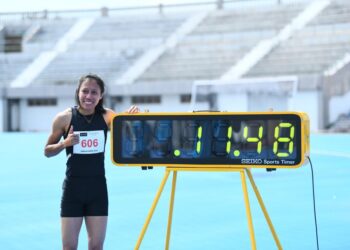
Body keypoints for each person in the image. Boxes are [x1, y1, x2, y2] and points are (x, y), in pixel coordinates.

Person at [44, 74, 139, 250]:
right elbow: (47, 151)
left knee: (96, 246)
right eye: (85, 91)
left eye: (94, 92)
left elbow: (128, 130)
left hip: (98, 190)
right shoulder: (64, 118)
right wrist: (64, 143)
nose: (88, 96)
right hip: (73, 189)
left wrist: (133, 116)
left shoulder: (107, 116)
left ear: (101, 96)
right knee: (69, 247)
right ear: (77, 92)